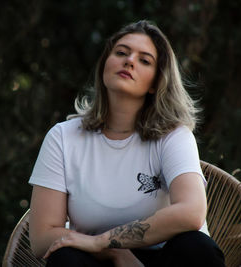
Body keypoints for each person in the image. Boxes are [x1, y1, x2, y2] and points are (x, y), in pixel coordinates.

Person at [28, 20, 225, 267]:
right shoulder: (63, 137)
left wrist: (103, 240)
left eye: (144, 60)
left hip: (166, 259)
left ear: (155, 82)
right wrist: (113, 251)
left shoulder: (174, 135)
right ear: (104, 65)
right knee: (64, 259)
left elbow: (191, 212)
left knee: (196, 247)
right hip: (98, 261)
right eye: (121, 52)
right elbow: (42, 237)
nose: (129, 60)